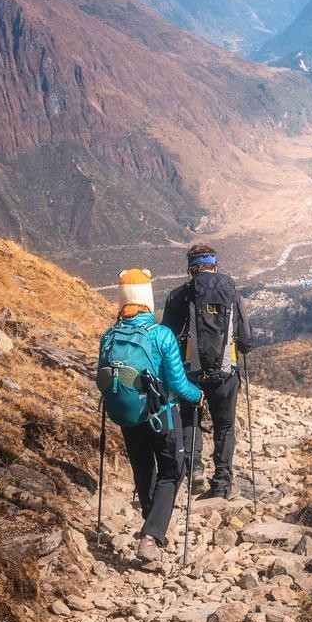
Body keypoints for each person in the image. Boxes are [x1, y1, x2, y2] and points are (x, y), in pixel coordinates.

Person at [96, 267, 202, 566]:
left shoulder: (109, 336)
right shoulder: (160, 335)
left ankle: (151, 521)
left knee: (143, 470)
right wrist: (198, 396)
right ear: (147, 299)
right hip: (162, 415)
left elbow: (100, 379)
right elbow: (179, 384)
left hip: (128, 416)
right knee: (172, 471)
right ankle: (151, 536)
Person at [162, 242, 254, 500]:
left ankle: (195, 471)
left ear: (190, 268)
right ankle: (223, 482)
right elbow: (246, 340)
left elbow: (167, 337)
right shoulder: (233, 293)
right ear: (215, 264)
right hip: (226, 375)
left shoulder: (178, 295)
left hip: (191, 373)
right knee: (224, 427)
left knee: (190, 419)